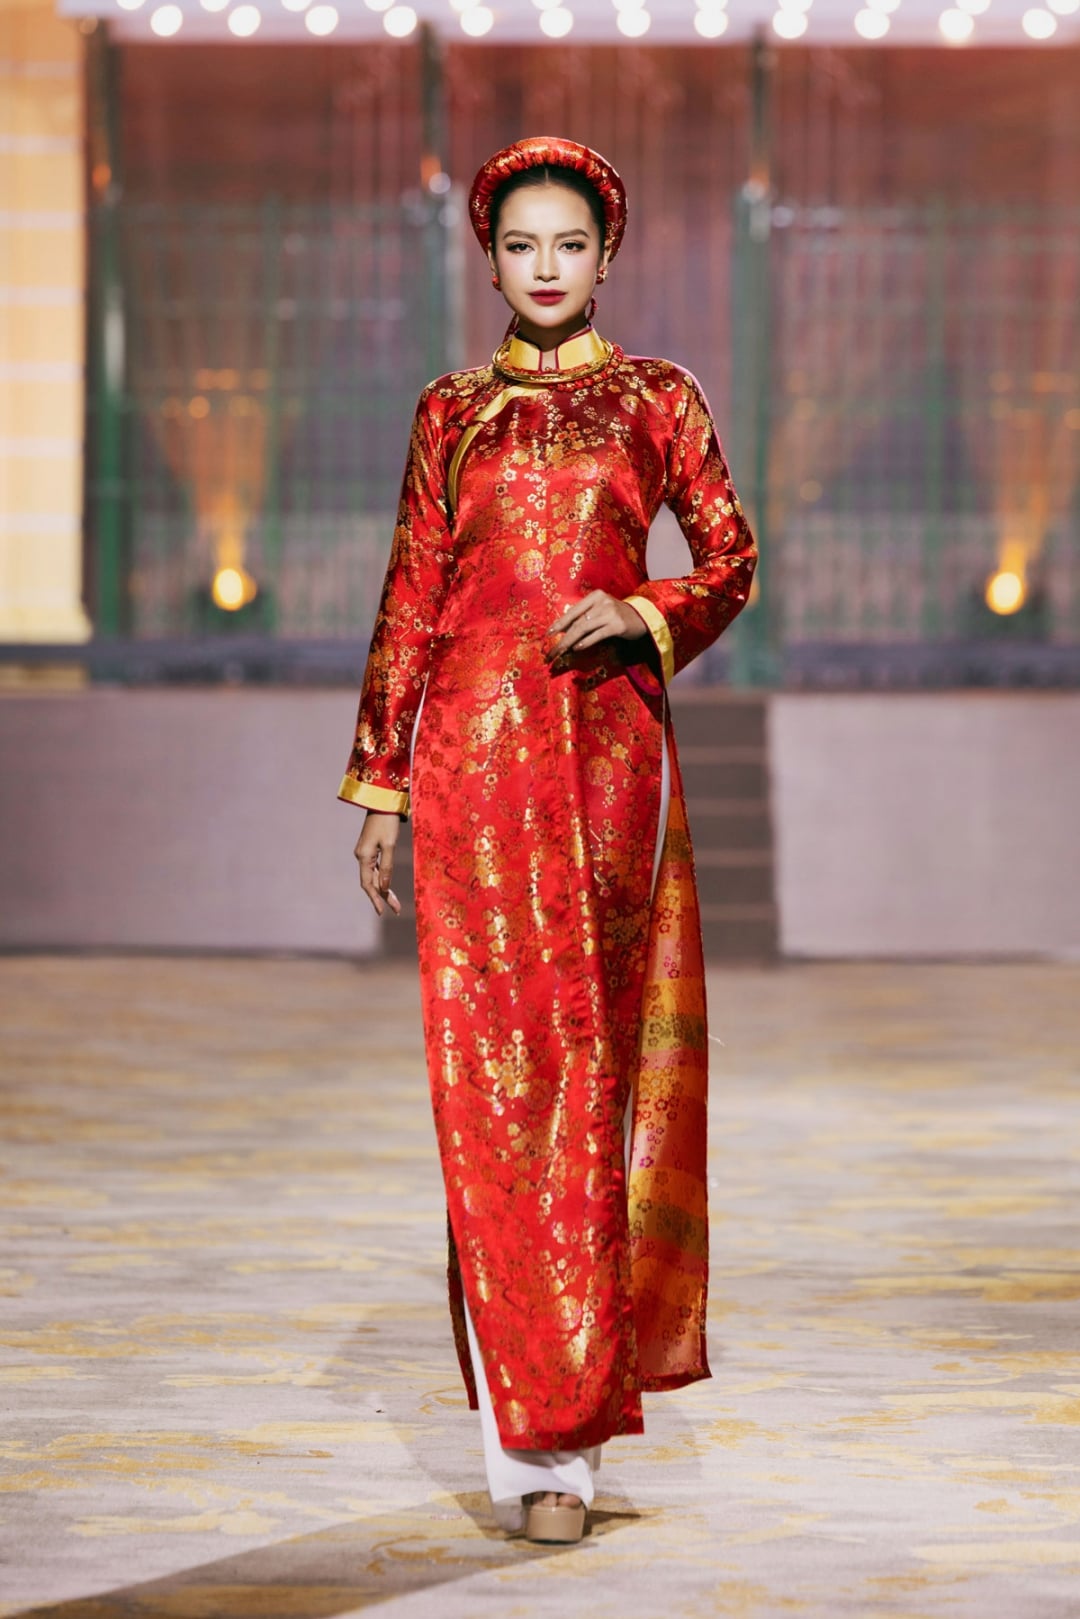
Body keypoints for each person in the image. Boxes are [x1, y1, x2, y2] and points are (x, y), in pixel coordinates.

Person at [339, 136, 757, 1545]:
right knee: (487, 1087)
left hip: (604, 762)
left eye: (568, 243)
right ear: (491, 258)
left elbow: (733, 558)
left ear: (606, 252)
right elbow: (411, 596)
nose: (545, 267)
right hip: (468, 771)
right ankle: (533, 1452)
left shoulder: (659, 399)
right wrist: (384, 786)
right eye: (521, 245)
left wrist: (642, 610)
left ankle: (566, 1438)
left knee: (586, 1073)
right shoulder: (450, 411)